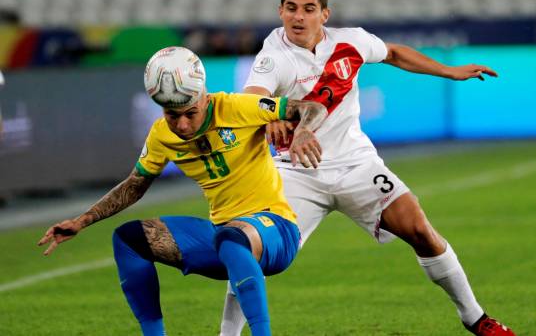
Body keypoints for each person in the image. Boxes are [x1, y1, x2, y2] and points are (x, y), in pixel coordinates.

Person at [219, 0, 515, 336]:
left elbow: (393, 52)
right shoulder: (273, 57)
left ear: (324, 14)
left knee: (420, 229)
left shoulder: (351, 41)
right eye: (291, 8)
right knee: (251, 251)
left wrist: (448, 71)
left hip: (356, 164)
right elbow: (253, 96)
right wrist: (270, 117)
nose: (298, 17)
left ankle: (476, 319)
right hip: (295, 173)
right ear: (280, 11)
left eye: (308, 9)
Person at [37, 46, 328, 336]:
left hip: (276, 229)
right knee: (129, 239)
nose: (182, 125)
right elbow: (135, 185)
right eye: (172, 115)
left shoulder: (238, 107)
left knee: (232, 237)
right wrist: (81, 221)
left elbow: (312, 108)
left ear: (203, 96)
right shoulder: (161, 135)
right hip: (224, 236)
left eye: (190, 113)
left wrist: (302, 129)